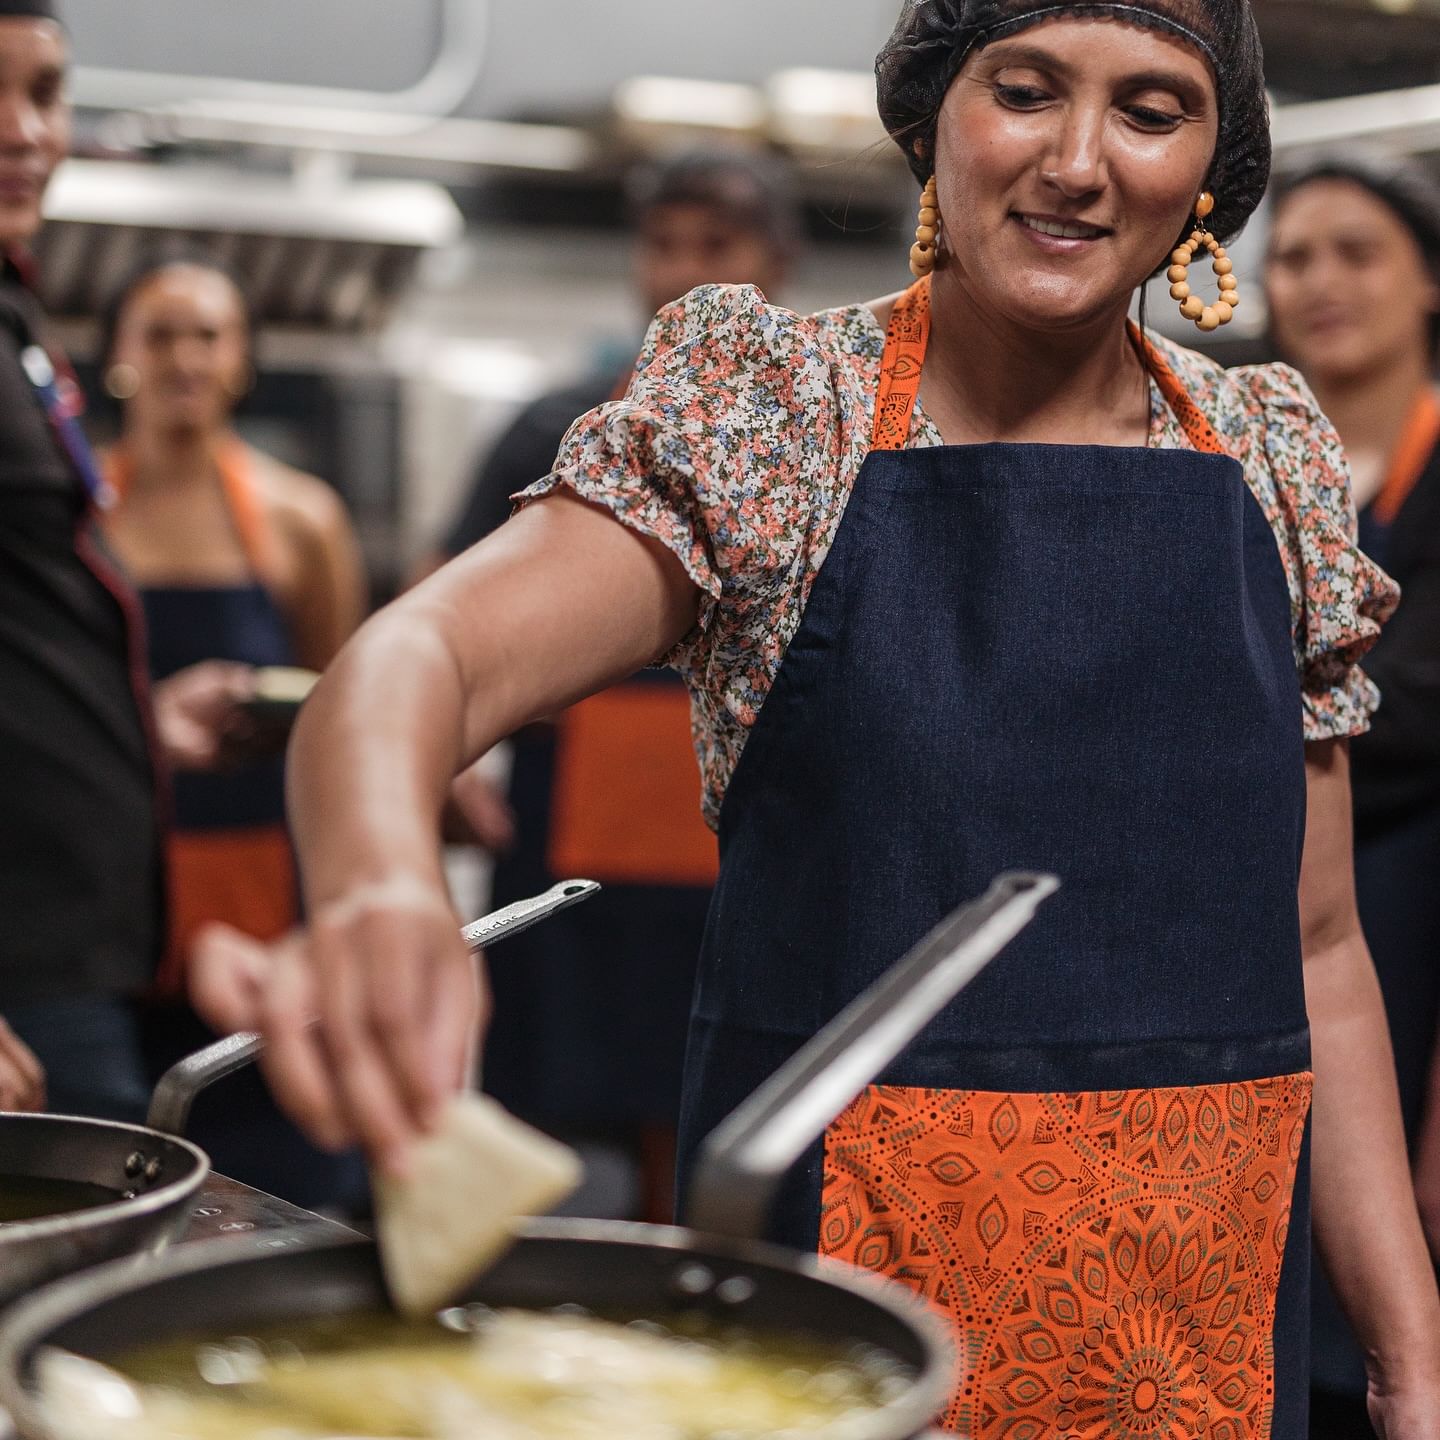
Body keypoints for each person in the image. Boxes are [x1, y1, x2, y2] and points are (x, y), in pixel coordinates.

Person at [195, 0, 1440, 1431]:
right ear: (932, 117)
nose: (1080, 162)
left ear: (1213, 170)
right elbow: (424, 659)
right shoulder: (786, 418)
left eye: (1153, 110)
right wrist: (374, 888)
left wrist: (1409, 1350)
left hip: (1204, 1299)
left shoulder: (1269, 457)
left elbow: (1321, 942)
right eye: (1025, 90)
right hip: (851, 1278)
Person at [434, 149, 802, 1221]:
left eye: (716, 247)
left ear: (776, 263)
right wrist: (438, 754)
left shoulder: (818, 445)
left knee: (735, 1165)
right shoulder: (559, 429)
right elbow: (445, 613)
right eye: (664, 245)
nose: (682, 273)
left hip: (745, 857)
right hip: (570, 879)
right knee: (567, 1173)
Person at [0, 0, 252, 1125]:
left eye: (45, 93)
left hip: (75, 952)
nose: (22, 132)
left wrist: (141, 724)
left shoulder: (15, 319)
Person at [95, 254, 368, 1206]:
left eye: (207, 334)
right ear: (117, 358)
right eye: (159, 333)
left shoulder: (301, 520)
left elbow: (342, 711)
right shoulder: (76, 517)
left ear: (241, 360)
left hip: (269, 892)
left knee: (280, 1173)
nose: (184, 357)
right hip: (121, 895)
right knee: (127, 1164)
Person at [1265, 156, 1440, 1439]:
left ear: (1427, 279)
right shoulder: (1240, 469)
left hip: (1412, 910)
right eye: (1293, 256)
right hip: (1260, 918)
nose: (1320, 283)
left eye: (1357, 252)